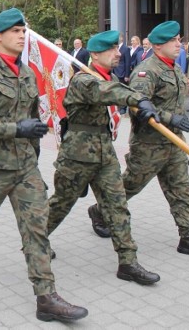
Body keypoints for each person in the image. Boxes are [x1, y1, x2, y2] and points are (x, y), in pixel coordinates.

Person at [0, 9, 87, 322]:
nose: (22, 35)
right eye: (14, 31)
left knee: (36, 229)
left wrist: (37, 136)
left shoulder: (27, 73)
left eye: (23, 30)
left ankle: (46, 297)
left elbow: (31, 115)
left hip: (26, 167)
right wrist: (16, 129)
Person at [90, 21, 189, 259]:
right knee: (130, 186)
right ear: (159, 45)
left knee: (180, 190)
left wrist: (177, 123)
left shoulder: (173, 68)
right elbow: (136, 106)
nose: (178, 44)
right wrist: (171, 118)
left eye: (179, 39)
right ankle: (99, 211)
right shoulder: (146, 70)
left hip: (174, 143)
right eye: (173, 40)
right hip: (149, 146)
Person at [47, 30, 160, 285]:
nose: (117, 53)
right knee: (60, 205)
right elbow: (108, 92)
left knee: (117, 205)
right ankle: (34, 242)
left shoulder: (108, 77)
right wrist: (138, 99)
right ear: (95, 54)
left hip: (104, 154)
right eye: (111, 50)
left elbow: (116, 88)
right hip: (77, 156)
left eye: (117, 48)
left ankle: (128, 262)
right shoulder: (84, 80)